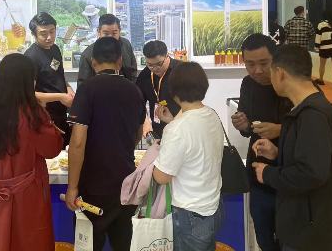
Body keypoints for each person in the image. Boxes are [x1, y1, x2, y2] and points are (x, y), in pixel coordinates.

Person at [251, 45, 332, 251]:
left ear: (280, 73)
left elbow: (311, 173)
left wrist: (268, 174)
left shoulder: (312, 116)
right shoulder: (310, 110)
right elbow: (313, 158)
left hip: (313, 235)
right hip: (312, 229)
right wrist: (278, 154)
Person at [0, 53, 63, 251]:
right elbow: (52, 149)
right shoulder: (33, 114)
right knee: (27, 240)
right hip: (26, 193)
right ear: (28, 81)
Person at [66, 37, 145, 251]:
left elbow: (78, 142)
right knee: (123, 244)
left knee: (89, 245)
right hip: (125, 185)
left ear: (93, 62)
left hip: (94, 186)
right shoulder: (134, 91)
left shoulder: (87, 89)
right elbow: (138, 133)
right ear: (120, 61)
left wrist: (72, 187)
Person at [152, 62, 224, 251]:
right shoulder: (212, 114)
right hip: (213, 205)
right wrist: (171, 120)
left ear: (173, 92)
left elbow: (162, 177)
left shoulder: (176, 130)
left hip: (190, 213)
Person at [230, 34, 291, 251]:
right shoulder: (248, 84)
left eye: (264, 64)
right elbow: (248, 129)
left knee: (290, 239)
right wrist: (243, 124)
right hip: (258, 174)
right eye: (250, 64)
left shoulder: (291, 84)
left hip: (290, 175)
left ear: (275, 59)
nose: (257, 71)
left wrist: (280, 130)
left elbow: (317, 126)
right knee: (264, 238)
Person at [24, 12, 75, 146]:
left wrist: (68, 89)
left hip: (61, 113)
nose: (49, 37)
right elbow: (29, 94)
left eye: (52, 31)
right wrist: (60, 97)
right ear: (34, 34)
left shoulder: (55, 49)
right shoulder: (31, 57)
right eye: (43, 34)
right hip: (45, 117)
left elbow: (58, 75)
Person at [136, 40, 181, 139]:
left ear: (167, 56)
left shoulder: (182, 71)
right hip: (157, 129)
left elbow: (192, 104)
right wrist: (145, 121)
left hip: (181, 129)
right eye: (150, 64)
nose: (155, 68)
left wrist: (175, 123)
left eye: (159, 64)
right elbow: (138, 102)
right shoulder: (145, 75)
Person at [77, 14, 138, 86]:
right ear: (99, 32)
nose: (110, 37)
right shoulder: (87, 54)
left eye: (114, 33)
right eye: (106, 33)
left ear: (119, 31)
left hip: (126, 89)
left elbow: (133, 71)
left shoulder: (126, 45)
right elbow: (83, 84)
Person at [314, 11, 332, 89]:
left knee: (322, 65)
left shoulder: (321, 25)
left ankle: (321, 80)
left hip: (324, 47)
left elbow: (318, 36)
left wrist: (317, 46)